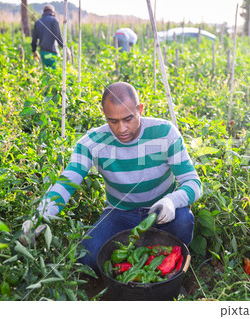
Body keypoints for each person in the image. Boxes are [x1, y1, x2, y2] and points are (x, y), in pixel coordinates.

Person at [22, 82, 202, 271]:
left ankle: (168, 267)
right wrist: (40, 216)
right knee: (87, 257)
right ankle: (139, 255)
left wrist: (171, 201)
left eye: (128, 119)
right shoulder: (92, 143)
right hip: (119, 213)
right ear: (104, 114)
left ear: (140, 109)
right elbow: (67, 182)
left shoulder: (164, 132)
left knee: (183, 221)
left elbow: (193, 183)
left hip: (161, 212)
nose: (121, 128)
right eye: (113, 121)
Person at [31, 4, 64, 68]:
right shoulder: (54, 20)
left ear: (43, 12)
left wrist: (34, 50)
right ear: (53, 12)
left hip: (43, 53)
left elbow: (34, 39)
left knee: (46, 71)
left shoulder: (38, 22)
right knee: (54, 73)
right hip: (52, 53)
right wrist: (64, 47)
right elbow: (58, 36)